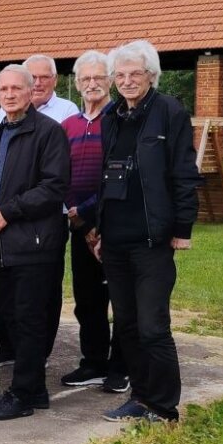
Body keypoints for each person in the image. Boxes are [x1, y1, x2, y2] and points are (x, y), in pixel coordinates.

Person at [98, 40, 200, 423]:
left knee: (153, 325)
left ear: (151, 75)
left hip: (153, 238)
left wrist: (182, 227)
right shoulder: (112, 115)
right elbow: (105, 178)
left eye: (134, 74)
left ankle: (163, 406)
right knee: (125, 323)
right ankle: (140, 397)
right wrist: (102, 230)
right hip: (116, 239)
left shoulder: (169, 112)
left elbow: (183, 173)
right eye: (120, 75)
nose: (127, 80)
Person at [0, 65, 70, 421]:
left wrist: (7, 213)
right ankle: (37, 390)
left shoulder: (48, 132)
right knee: (13, 319)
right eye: (4, 89)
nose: (10, 94)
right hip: (1, 242)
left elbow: (53, 187)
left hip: (34, 242)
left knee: (30, 321)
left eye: (17, 88)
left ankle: (23, 394)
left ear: (32, 92)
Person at [59, 51, 128, 393]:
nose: (91, 84)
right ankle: (94, 362)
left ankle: (121, 367)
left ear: (111, 80)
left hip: (113, 223)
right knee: (87, 300)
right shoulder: (68, 125)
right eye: (85, 79)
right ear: (76, 83)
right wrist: (78, 217)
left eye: (98, 78)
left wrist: (90, 216)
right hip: (78, 225)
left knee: (122, 298)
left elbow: (118, 175)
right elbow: (59, 174)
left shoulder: (121, 118)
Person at [0, 54, 79, 126]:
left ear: (55, 80)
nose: (37, 83)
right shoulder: (9, 108)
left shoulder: (68, 110)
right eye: (32, 77)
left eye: (44, 77)